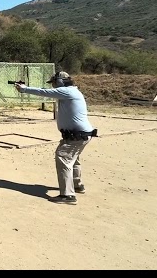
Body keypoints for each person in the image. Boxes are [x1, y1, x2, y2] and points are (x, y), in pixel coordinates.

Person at [14, 71, 97, 205]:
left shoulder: (68, 91)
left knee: (63, 157)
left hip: (76, 135)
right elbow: (46, 91)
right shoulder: (71, 92)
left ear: (59, 81)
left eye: (54, 82)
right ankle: (77, 185)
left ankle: (68, 195)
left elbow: (44, 92)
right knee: (73, 159)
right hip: (79, 134)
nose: (53, 85)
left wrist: (25, 89)